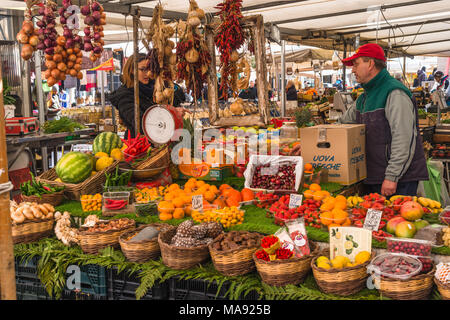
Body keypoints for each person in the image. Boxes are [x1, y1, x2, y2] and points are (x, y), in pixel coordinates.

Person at [337, 43, 429, 197]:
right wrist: (309, 142)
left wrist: (392, 177)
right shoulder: (364, 97)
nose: (352, 70)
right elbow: (341, 125)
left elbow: (403, 138)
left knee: (397, 220)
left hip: (398, 181)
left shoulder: (394, 92)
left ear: (371, 64)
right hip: (374, 176)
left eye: (356, 64)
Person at [108, 53, 186, 138]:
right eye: (143, 69)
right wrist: (172, 113)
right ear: (132, 70)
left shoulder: (154, 87)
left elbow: (180, 98)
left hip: (159, 140)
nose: (148, 73)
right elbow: (141, 123)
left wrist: (169, 83)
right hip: (138, 145)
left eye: (150, 69)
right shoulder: (124, 95)